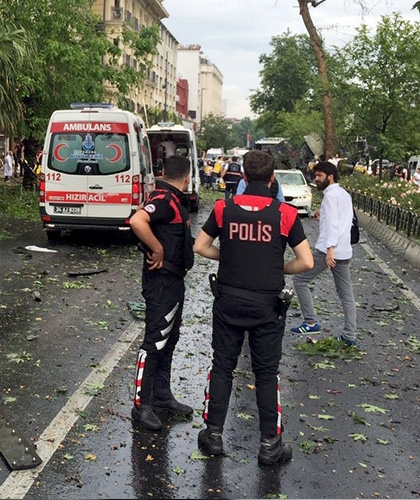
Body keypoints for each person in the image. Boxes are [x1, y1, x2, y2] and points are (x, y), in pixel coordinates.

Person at [193, 150, 314, 465]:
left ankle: (213, 436)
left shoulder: (224, 209)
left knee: (222, 366)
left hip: (229, 301)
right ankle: (270, 445)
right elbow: (307, 261)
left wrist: (231, 256)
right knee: (266, 373)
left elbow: (201, 246)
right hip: (267, 306)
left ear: (244, 177)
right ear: (273, 178)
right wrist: (279, 267)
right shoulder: (285, 214)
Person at [129, 155, 195, 431]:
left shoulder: (172, 198)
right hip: (162, 281)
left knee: (169, 339)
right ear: (187, 177)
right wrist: (157, 249)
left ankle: (162, 396)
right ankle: (141, 406)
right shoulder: (165, 200)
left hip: (173, 280)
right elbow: (137, 221)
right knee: (155, 341)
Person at [290, 161, 357, 347]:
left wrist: (329, 249)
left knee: (300, 280)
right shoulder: (343, 194)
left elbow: (332, 225)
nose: (316, 179)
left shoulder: (330, 196)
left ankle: (310, 322)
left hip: (329, 251)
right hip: (344, 251)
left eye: (319, 176)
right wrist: (323, 214)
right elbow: (345, 220)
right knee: (346, 295)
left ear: (330, 176)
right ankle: (349, 335)